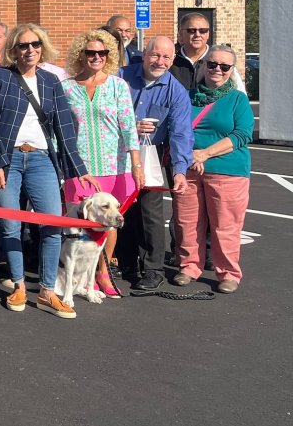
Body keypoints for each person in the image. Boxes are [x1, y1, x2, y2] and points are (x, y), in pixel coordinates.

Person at [0, 23, 95, 319]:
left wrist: (78, 169)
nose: (29, 50)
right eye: (23, 45)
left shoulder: (50, 81)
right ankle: (18, 285)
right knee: (10, 225)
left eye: (35, 45)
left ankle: (46, 291)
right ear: (13, 50)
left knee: (52, 225)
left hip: (42, 159)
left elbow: (64, 127)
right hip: (8, 160)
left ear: (42, 47)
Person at [60, 29, 142, 299]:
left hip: (113, 165)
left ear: (109, 55)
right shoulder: (66, 87)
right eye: (90, 52)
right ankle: (76, 278)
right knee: (79, 222)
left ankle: (102, 273)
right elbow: (58, 131)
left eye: (102, 53)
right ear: (80, 55)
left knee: (109, 222)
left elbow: (129, 126)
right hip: (78, 167)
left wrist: (136, 164)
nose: (96, 57)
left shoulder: (118, 86)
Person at [171, 45, 252, 293]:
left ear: (231, 71)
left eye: (224, 66)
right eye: (212, 64)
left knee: (225, 225)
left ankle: (228, 273)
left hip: (227, 169)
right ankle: (188, 266)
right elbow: (176, 128)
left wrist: (205, 153)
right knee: (187, 222)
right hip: (189, 168)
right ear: (204, 66)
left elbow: (242, 134)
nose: (217, 69)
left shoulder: (238, 99)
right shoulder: (187, 95)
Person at [119, 36, 193, 292]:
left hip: (151, 155)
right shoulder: (122, 76)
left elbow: (181, 133)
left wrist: (181, 171)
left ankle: (153, 269)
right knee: (122, 209)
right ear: (145, 54)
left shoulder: (176, 91)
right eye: (155, 55)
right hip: (117, 151)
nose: (159, 61)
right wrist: (130, 128)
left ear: (172, 60)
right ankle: (126, 262)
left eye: (166, 57)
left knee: (150, 212)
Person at [177, 12, 243, 88]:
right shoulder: (170, 62)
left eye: (203, 31)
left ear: (208, 34)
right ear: (181, 34)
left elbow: (239, 93)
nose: (197, 35)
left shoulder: (223, 62)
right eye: (192, 30)